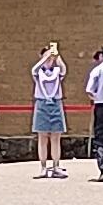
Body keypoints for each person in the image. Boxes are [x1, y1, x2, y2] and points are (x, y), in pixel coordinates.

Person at [28, 41, 67, 178]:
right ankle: (43, 166)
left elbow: (63, 70)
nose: (49, 60)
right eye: (46, 57)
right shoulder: (39, 72)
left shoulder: (56, 71)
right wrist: (44, 58)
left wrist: (57, 57)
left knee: (56, 137)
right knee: (42, 137)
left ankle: (56, 166)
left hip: (56, 103)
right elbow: (33, 70)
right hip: (42, 103)